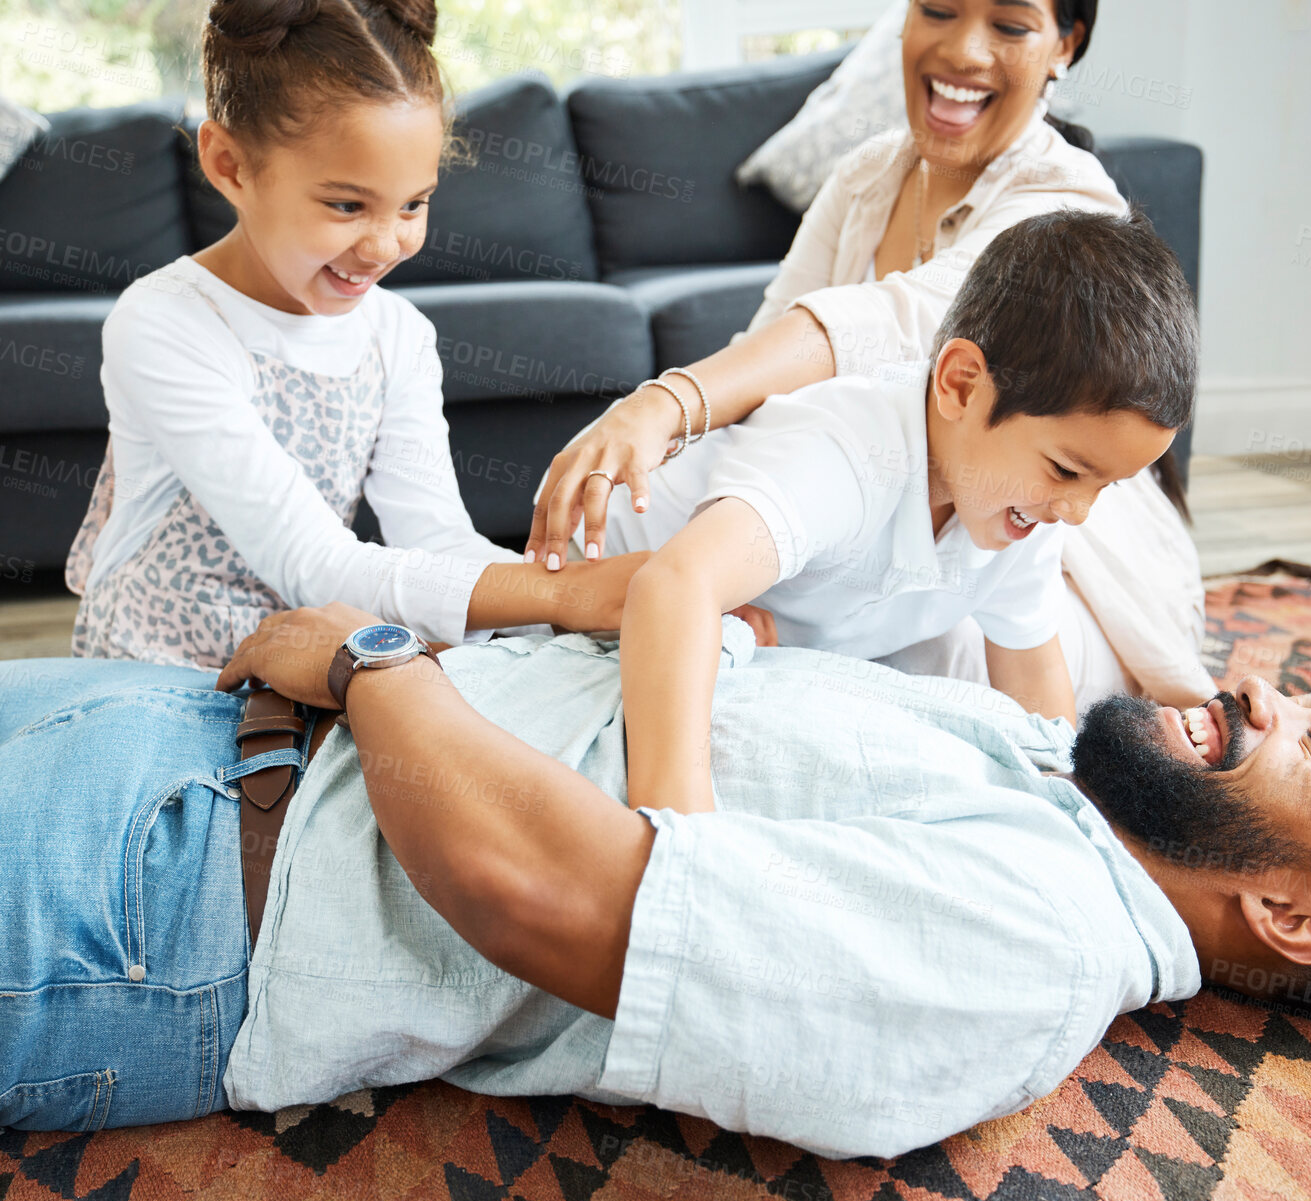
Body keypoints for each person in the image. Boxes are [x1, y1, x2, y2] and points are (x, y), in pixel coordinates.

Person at [0, 603, 1311, 1157]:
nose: (1262, 696)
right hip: (177, 740)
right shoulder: (1055, 781)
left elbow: (534, 887)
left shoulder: (1025, 950)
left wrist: (368, 658)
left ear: (1293, 917)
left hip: (156, 893)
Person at [525, 0, 1215, 711]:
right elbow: (763, 352)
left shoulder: (1069, 201)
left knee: (948, 677)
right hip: (893, 504)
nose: (964, 52)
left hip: (1043, 518)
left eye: (1009, 26)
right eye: (938, 10)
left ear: (1064, 44)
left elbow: (893, 324)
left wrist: (666, 400)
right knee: (755, 603)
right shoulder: (867, 175)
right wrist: (670, 460)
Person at [64, 0, 628, 669]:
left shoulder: (397, 334)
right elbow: (313, 561)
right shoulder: (164, 322)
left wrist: (610, 605)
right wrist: (566, 596)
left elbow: (437, 541)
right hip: (154, 670)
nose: (386, 244)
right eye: (346, 205)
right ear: (230, 166)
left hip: (304, 665)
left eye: (413, 203)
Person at [603, 210, 1190, 811]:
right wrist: (682, 830)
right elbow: (673, 587)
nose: (1077, 511)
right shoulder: (848, 456)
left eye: (1105, 487)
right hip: (606, 591)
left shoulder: (1022, 508)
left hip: (767, 637)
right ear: (960, 386)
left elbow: (1034, 682)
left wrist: (1066, 816)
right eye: (1067, 471)